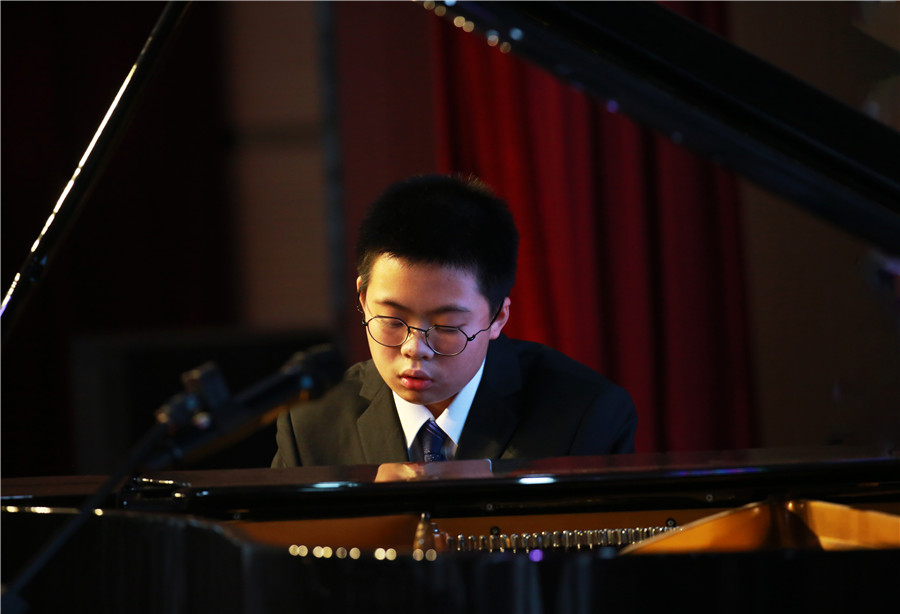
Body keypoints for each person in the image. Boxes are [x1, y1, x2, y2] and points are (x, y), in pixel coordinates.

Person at [272, 174, 637, 467]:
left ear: (498, 317)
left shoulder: (585, 416)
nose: (414, 348)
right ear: (363, 300)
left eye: (446, 327)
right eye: (392, 320)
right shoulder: (311, 422)